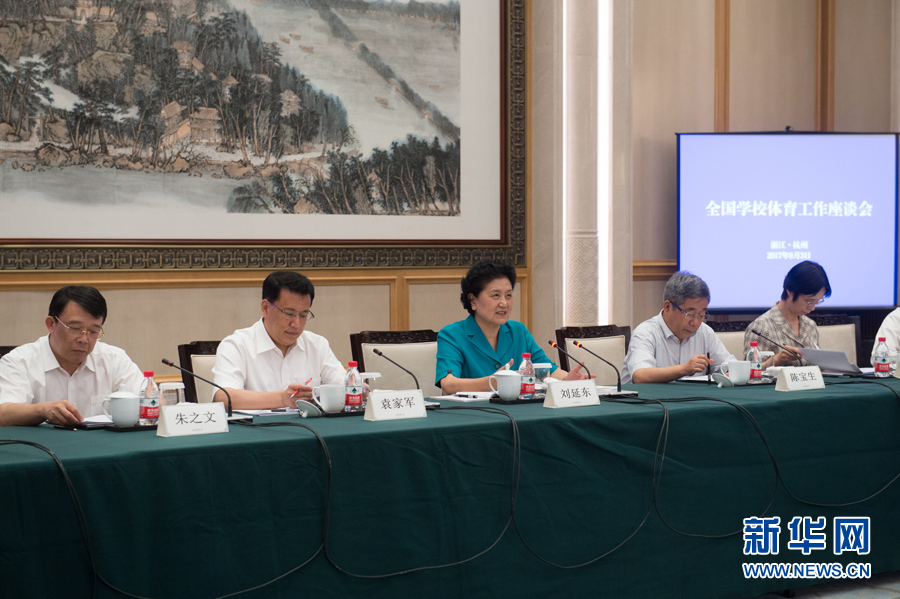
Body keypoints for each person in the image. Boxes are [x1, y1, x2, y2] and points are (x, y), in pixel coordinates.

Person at [435, 258, 590, 394]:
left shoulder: (518, 331)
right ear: (473, 300)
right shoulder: (452, 335)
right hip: (472, 414)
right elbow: (448, 385)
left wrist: (567, 379)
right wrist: (492, 382)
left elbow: (546, 370)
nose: (504, 303)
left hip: (518, 413)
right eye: (496, 295)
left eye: (508, 295)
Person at [0, 286, 144, 427]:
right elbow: (4, 413)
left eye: (93, 331)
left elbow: (148, 401)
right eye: (75, 329)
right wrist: (42, 410)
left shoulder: (114, 359)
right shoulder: (19, 361)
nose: (84, 339)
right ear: (51, 324)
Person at [213, 270, 345, 410]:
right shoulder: (236, 346)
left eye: (303, 315)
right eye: (289, 313)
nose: (296, 324)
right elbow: (224, 398)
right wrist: (282, 399)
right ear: (265, 308)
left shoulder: (317, 345)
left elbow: (346, 388)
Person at [622, 271, 734, 384]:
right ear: (667, 307)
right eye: (689, 314)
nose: (695, 322)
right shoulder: (645, 332)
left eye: (701, 315)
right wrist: (684, 369)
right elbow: (640, 376)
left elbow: (727, 365)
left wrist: (731, 371)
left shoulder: (704, 332)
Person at [743, 260, 831, 368]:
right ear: (790, 292)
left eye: (817, 302)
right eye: (809, 301)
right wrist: (776, 360)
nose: (812, 308)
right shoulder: (760, 327)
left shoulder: (810, 325)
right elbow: (749, 370)